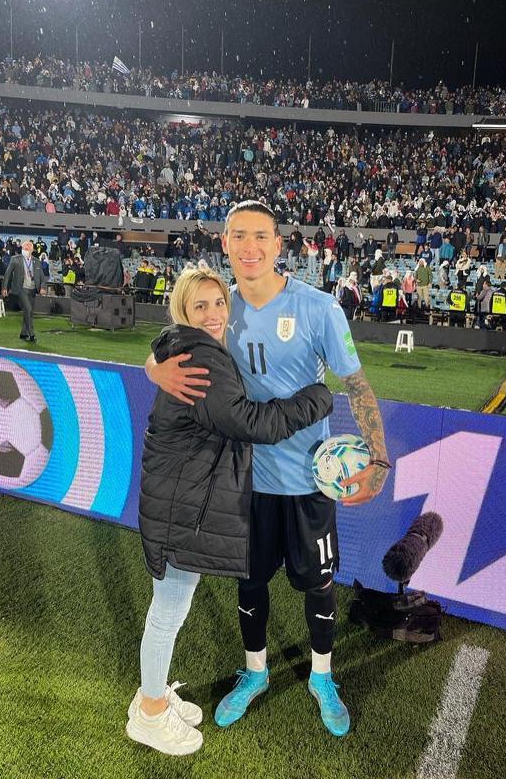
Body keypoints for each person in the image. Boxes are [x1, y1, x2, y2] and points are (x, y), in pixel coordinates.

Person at [145, 201, 389, 738]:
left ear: (279, 244)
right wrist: (153, 368)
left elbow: (356, 385)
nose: (249, 246)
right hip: (244, 482)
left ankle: (322, 677)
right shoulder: (218, 308)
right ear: (225, 244)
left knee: (318, 584)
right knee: (250, 582)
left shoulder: (319, 308)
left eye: (260, 236)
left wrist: (379, 459)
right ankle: (255, 673)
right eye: (238, 236)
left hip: (309, 482)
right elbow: (172, 342)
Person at [127, 266, 333, 756]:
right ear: (183, 311)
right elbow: (252, 423)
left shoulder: (189, 347)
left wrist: (152, 365)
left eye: (219, 303)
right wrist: (317, 399)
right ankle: (150, 712)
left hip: (181, 500)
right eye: (200, 306)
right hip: (181, 506)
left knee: (170, 608)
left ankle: (153, 697)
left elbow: (163, 357)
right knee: (168, 613)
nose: (214, 313)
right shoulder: (200, 357)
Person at [1, 239, 47, 342]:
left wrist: (43, 287)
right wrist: (4, 288)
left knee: (28, 312)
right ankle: (32, 334)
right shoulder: (15, 259)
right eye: (23, 248)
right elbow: (7, 274)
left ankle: (23, 333)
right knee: (29, 310)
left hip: (33, 290)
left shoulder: (37, 261)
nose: (24, 250)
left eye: (26, 249)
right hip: (21, 289)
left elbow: (42, 277)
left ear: (31, 250)